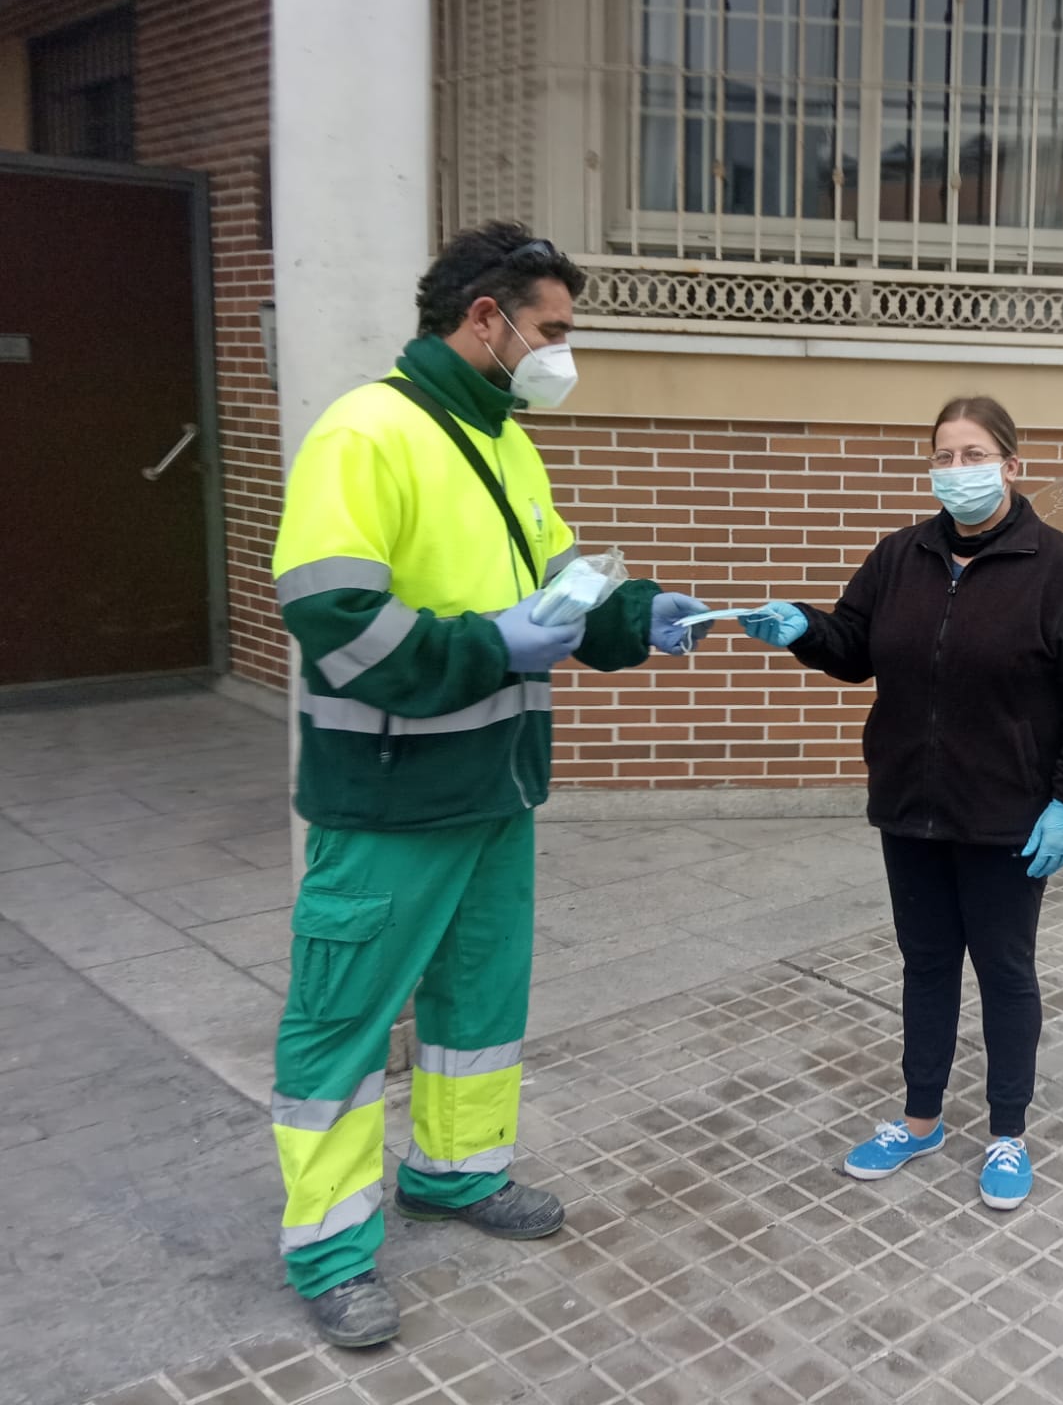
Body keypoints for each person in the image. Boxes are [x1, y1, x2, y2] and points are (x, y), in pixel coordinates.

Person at [268, 223, 714, 1347]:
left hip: (492, 786)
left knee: (476, 1007)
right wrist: (486, 650)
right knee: (344, 1024)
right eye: (551, 330)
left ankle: (456, 1176)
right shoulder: (366, 433)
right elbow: (334, 622)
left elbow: (557, 580)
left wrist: (635, 614)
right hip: (388, 795)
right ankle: (328, 1245)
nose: (561, 351)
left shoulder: (503, 440)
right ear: (486, 319)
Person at [740, 396, 1063, 1211]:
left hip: (1008, 819)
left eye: (975, 453)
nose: (958, 471)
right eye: (945, 456)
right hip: (911, 808)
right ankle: (919, 1121)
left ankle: (1007, 1133)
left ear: (1012, 465)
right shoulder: (901, 556)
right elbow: (854, 646)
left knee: (1005, 971)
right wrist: (803, 629)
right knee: (925, 967)